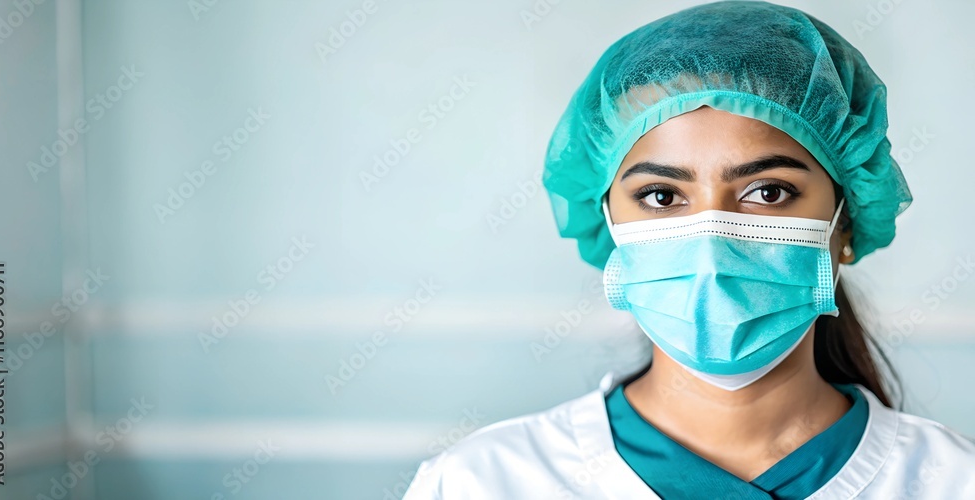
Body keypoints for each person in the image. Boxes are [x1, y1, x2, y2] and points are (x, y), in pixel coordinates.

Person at [402, 2, 975, 498]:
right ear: (608, 223)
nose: (710, 242)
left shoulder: (952, 481)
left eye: (768, 192)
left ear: (844, 223)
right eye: (661, 195)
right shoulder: (482, 482)